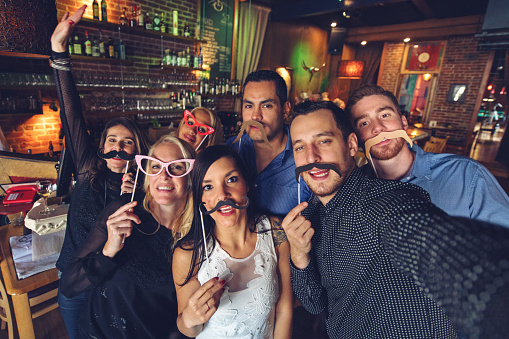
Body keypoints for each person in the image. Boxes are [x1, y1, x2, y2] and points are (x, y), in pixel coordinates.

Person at [283, 100, 509, 338]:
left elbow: (429, 240)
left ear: (350, 145)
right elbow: (314, 304)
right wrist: (299, 256)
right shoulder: (309, 216)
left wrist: (491, 287)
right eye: (300, 147)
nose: (312, 157)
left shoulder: (388, 201)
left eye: (324, 141)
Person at [50, 6, 150, 337]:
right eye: (112, 140)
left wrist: (131, 193)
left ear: (137, 151)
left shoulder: (139, 190)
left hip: (112, 289)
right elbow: (71, 114)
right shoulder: (87, 170)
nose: (119, 147)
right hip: (74, 284)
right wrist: (59, 52)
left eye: (127, 142)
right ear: (102, 146)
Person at [59, 135, 195, 338]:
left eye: (176, 167)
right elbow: (68, 287)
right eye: (155, 166)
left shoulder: (199, 232)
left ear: (191, 175)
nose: (164, 175)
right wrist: (108, 251)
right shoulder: (123, 210)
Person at [345, 84, 509, 228]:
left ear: (404, 123)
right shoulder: (353, 189)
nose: (378, 128)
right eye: (364, 123)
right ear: (356, 139)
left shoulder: (466, 175)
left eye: (385, 115)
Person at [173, 145, 293, 338]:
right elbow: (189, 329)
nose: (222, 195)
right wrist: (190, 318)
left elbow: (284, 309)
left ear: (246, 183)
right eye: (208, 186)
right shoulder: (187, 253)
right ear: (200, 198)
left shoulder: (276, 232)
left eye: (231, 179)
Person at [226, 70, 311, 216]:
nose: (255, 116)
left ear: (285, 110)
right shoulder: (231, 149)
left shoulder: (306, 158)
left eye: (266, 106)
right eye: (249, 106)